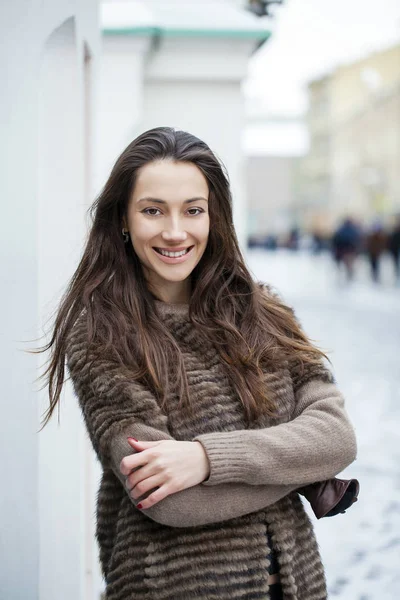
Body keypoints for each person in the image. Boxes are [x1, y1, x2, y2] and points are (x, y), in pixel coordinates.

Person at [38, 127, 358, 600]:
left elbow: (336, 437)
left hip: (298, 586)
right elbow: (167, 497)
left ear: (214, 216)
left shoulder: (264, 313)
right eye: (152, 210)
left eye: (193, 210)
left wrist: (207, 460)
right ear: (123, 220)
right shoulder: (103, 335)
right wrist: (298, 468)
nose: (175, 231)